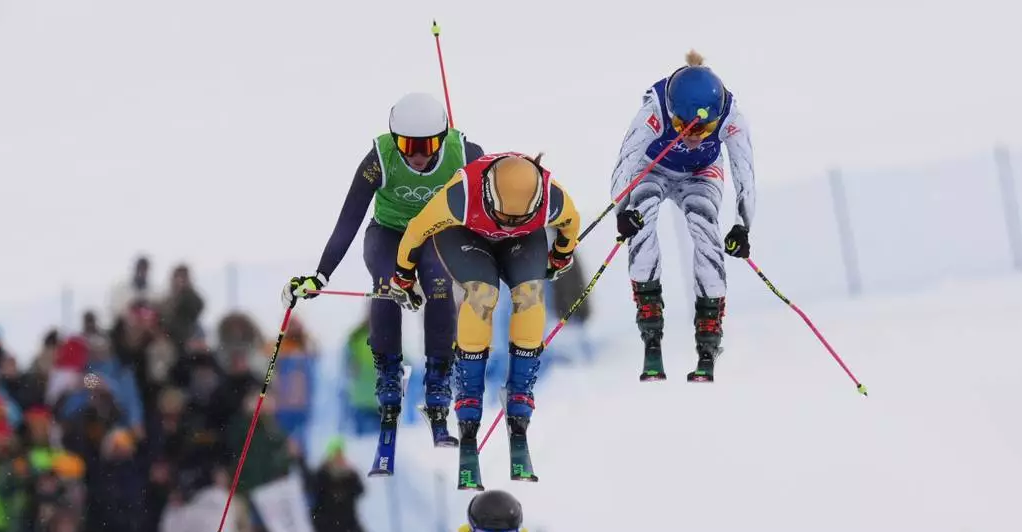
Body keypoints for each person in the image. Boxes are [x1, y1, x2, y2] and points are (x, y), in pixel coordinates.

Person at [284, 92, 484, 448]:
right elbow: (349, 219)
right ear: (395, 139)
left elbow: (498, 196)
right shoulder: (380, 158)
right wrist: (321, 274)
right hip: (388, 234)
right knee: (387, 285)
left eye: (428, 146)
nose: (419, 156)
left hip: (435, 236)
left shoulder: (464, 153)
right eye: (408, 145)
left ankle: (438, 380)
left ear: (442, 139)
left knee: (438, 285)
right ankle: (388, 374)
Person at [390, 152, 582, 486]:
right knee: (482, 295)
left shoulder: (552, 198)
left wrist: (560, 256)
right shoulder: (460, 196)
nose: (507, 223)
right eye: (503, 216)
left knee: (531, 295)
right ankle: (469, 399)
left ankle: (520, 395)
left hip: (523, 241)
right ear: (490, 195)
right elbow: (416, 233)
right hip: (465, 236)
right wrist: (403, 277)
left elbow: (571, 223)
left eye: (516, 217)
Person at [610, 50, 757, 382]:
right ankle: (649, 315)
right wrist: (623, 211)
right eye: (679, 125)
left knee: (705, 224)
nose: (689, 135)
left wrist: (742, 225)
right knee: (643, 214)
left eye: (700, 129)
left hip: (701, 172)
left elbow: (744, 171)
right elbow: (627, 160)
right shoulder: (653, 111)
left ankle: (709, 328)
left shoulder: (731, 118)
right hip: (654, 169)